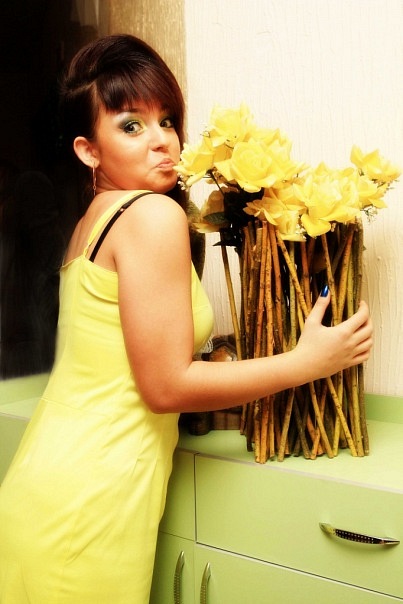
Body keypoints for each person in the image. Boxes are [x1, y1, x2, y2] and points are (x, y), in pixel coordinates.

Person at [0, 34, 373, 604]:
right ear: (88, 150)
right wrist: (305, 362)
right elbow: (165, 386)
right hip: (89, 499)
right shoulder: (151, 215)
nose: (163, 141)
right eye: (131, 125)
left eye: (168, 120)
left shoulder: (93, 220)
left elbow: (122, 362)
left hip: (48, 480)